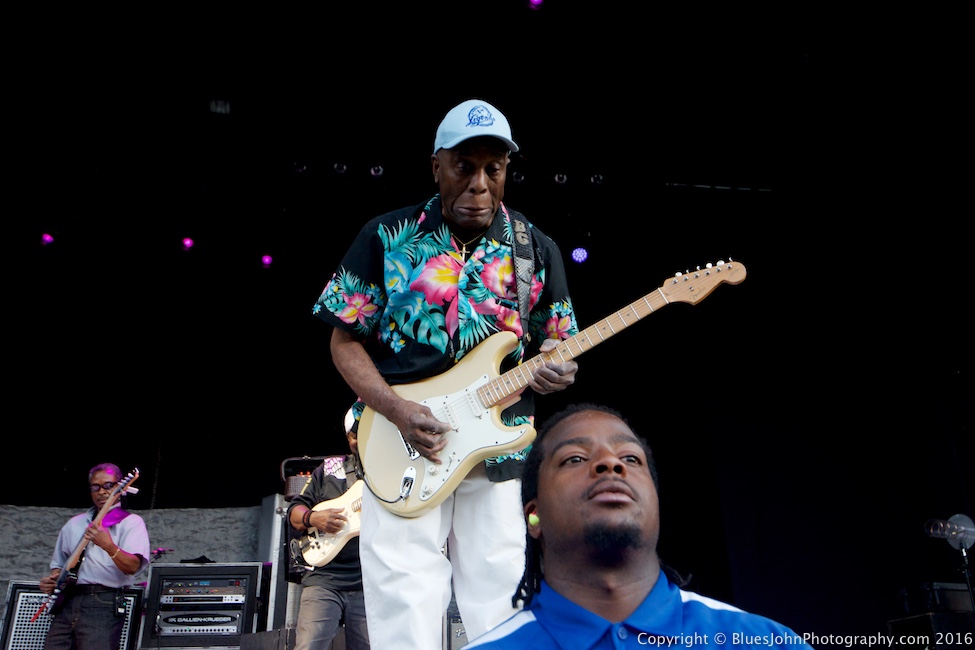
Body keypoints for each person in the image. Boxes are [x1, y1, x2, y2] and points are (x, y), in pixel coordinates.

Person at [312, 98, 580, 648]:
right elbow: (344, 339)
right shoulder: (386, 237)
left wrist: (560, 370)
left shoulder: (537, 249)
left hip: (495, 455)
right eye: (464, 166)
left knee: (502, 599)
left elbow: (559, 343)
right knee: (404, 604)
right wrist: (396, 410)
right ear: (437, 166)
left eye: (494, 169)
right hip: (401, 446)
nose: (479, 184)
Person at [464, 403, 812, 649]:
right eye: (575, 459)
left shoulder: (764, 642)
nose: (609, 464)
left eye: (630, 458)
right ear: (532, 517)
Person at [39, 462, 151, 650]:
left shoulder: (131, 523)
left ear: (121, 487)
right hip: (69, 599)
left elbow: (132, 566)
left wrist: (107, 545)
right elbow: (58, 565)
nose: (102, 492)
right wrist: (53, 580)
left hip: (103, 600)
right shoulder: (74, 524)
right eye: (96, 487)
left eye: (109, 485)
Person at [287, 409, 370, 650]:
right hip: (323, 580)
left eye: (364, 435)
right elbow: (295, 511)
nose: (358, 441)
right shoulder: (330, 468)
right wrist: (314, 517)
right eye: (353, 436)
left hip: (369, 582)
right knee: (309, 645)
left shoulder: (390, 472)